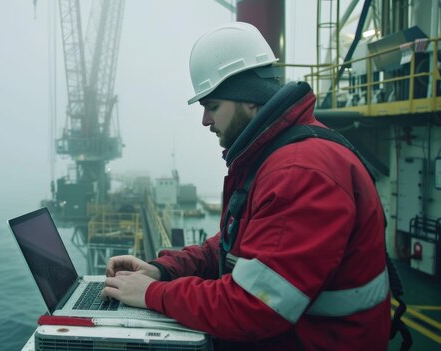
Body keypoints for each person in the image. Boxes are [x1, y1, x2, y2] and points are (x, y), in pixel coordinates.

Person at [102, 22, 390, 350]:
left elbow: (254, 306)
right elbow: (232, 247)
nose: (205, 121)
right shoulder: (276, 156)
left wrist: (151, 294)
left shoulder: (299, 171)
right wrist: (161, 270)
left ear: (249, 99)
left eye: (212, 106)